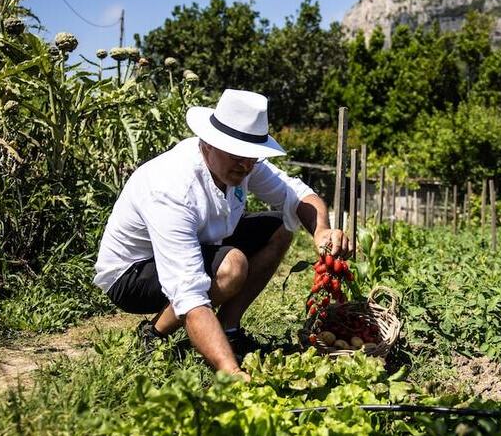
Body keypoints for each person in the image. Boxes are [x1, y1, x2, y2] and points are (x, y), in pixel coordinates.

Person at [93, 89, 350, 379]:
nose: (246, 165)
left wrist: (321, 230)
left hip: (201, 243)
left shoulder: (244, 163)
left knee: (280, 228)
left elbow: (297, 194)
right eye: (236, 155)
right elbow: (188, 292)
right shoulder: (172, 187)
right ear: (208, 143)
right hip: (132, 274)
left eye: (252, 156)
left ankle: (228, 329)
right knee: (232, 266)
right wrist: (230, 371)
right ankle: (154, 334)